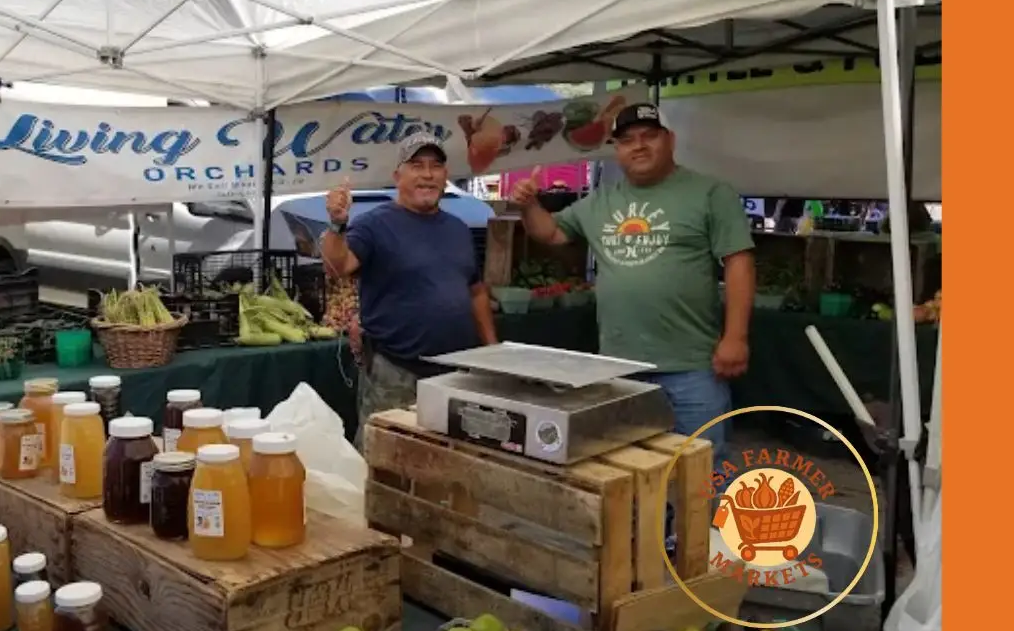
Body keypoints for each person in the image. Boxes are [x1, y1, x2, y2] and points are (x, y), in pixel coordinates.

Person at [508, 102, 755, 455]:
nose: (638, 146)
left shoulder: (710, 194)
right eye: (626, 140)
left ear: (670, 140)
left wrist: (736, 337)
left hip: (691, 368)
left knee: (701, 468)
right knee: (628, 465)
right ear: (617, 150)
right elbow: (550, 233)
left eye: (649, 136)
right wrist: (529, 205)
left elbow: (739, 263)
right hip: (620, 367)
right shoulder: (601, 201)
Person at [322, 132, 498, 447]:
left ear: (445, 176)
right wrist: (337, 224)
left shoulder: (458, 229)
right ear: (397, 176)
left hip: (455, 374)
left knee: (448, 455)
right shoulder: (374, 224)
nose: (427, 175)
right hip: (396, 371)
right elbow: (337, 266)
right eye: (417, 166)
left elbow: (476, 291)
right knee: (383, 453)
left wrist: (492, 351)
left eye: (435, 166)